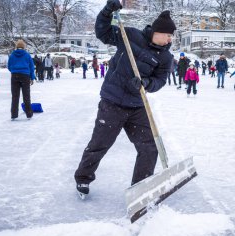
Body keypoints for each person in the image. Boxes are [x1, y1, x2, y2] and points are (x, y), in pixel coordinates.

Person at [74, 1, 176, 198]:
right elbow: (102, 32)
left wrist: (145, 83)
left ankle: (140, 187)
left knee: (149, 147)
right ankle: (83, 178)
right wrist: (107, 11)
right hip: (112, 102)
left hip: (137, 106)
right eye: (168, 34)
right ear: (157, 31)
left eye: (172, 35)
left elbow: (160, 81)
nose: (170, 39)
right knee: (100, 144)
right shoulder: (129, 35)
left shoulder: (165, 57)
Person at [7, 39, 35, 120]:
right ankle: (29, 114)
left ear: (16, 46)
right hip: (25, 76)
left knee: (15, 96)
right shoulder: (27, 55)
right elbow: (31, 67)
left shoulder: (12, 55)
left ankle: (14, 114)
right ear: (24, 46)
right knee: (26, 96)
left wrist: (14, 71)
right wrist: (32, 77)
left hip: (14, 76)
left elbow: (9, 66)